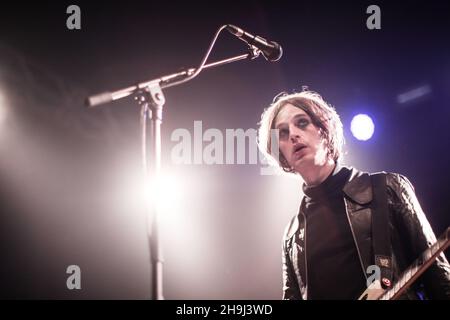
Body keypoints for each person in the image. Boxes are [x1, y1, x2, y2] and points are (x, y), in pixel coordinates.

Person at [257, 89, 450, 300]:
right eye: (282, 133)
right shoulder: (292, 235)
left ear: (324, 130)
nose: (293, 134)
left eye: (302, 123)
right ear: (281, 154)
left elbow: (439, 277)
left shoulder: (386, 188)